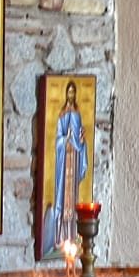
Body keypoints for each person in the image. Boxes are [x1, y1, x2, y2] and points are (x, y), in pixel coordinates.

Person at [43, 82, 88, 252]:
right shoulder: (62, 115)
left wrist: (81, 142)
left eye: (72, 92)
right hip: (64, 162)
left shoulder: (77, 115)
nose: (70, 95)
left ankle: (72, 236)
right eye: (68, 92)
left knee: (72, 199)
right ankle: (60, 237)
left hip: (74, 160)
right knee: (62, 199)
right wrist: (66, 137)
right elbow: (58, 140)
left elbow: (80, 140)